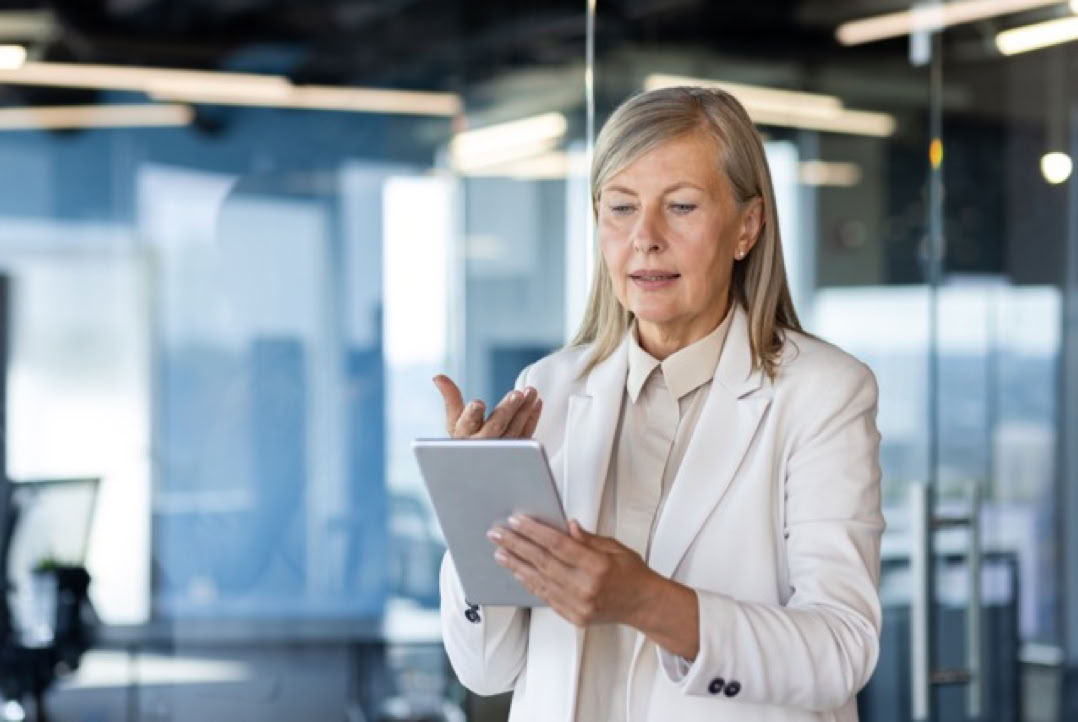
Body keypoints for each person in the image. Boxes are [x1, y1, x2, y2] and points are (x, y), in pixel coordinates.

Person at [432, 85, 884, 722]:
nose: (644, 238)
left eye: (681, 206)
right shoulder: (548, 388)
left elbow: (841, 649)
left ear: (747, 226)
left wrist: (647, 601)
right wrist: (478, 514)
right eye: (621, 207)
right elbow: (486, 668)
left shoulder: (823, 393)